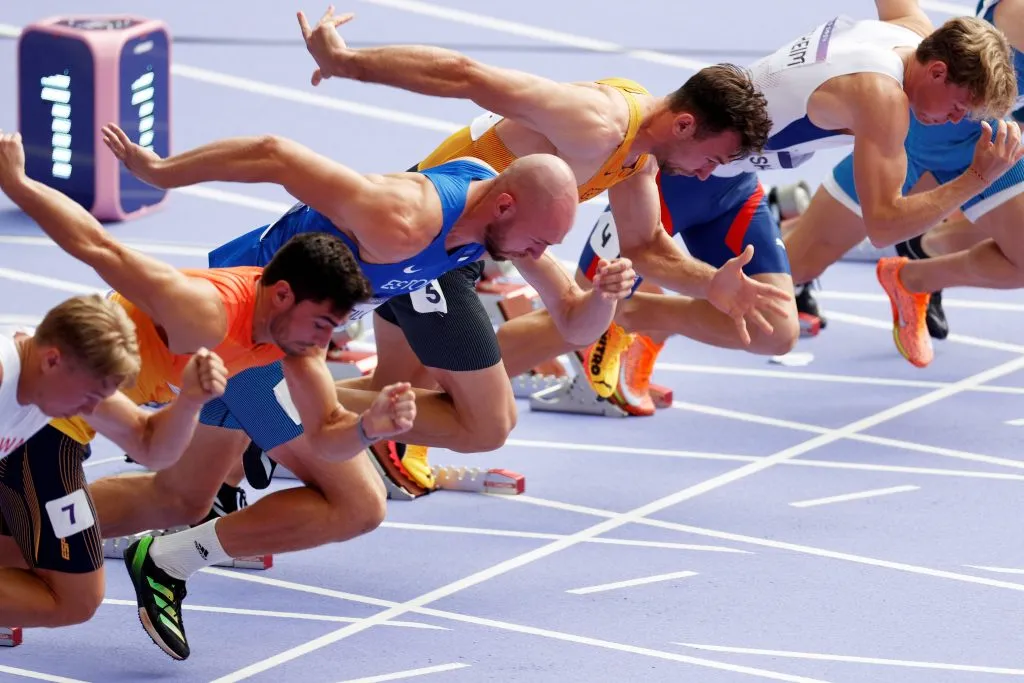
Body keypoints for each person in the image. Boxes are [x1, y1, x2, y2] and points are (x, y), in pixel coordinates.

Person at [97, 121, 634, 657]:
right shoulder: (397, 215)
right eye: (539, 241)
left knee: (179, 497)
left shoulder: (495, 215)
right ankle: (169, 559)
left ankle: (25, 527)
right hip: (247, 331)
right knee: (358, 505)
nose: (537, 254)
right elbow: (275, 151)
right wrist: (160, 170)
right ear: (504, 205)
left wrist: (603, 297)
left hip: (288, 347)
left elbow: (572, 317)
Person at [295, 5, 789, 479]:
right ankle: (279, 409)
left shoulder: (639, 155)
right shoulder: (596, 121)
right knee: (485, 423)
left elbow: (645, 247)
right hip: (434, 240)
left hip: (461, 242)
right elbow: (468, 75)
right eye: (711, 160)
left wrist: (711, 285)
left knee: (397, 389)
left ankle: (277, 418)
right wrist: (346, 63)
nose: (706, 176)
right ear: (684, 124)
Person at [0, 130, 417, 659]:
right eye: (320, 323)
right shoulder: (203, 310)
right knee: (72, 595)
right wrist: (18, 183)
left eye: (334, 328)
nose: (324, 341)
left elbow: (326, 439)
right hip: (57, 405)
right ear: (282, 295)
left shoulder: (295, 345)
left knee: (181, 499)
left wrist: (367, 429)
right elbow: (96, 245)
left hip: (103, 410)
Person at [781, 0, 1024, 368]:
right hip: (909, 138)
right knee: (785, 274)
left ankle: (914, 274)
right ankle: (776, 217)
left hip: (989, 149)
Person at [0, 292, 227, 632]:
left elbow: (150, 447)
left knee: (73, 599)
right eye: (89, 395)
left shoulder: (58, 377)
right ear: (52, 361)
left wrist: (190, 402)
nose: (87, 411)